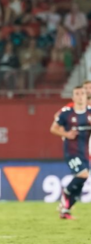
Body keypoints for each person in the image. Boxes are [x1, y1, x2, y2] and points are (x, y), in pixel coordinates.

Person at [50, 85, 91, 219]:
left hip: (85, 152)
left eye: (82, 94)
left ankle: (65, 209)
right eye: (77, 94)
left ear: (86, 97)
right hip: (71, 152)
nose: (80, 96)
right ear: (73, 97)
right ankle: (66, 194)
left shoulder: (90, 112)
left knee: (81, 182)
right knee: (83, 175)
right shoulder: (67, 113)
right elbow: (53, 128)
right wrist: (66, 134)